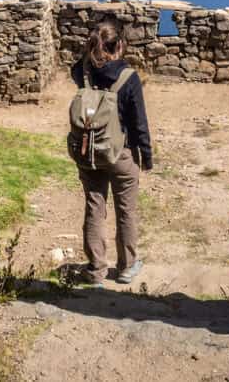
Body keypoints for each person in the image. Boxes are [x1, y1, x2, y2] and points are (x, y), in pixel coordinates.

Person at [70, 20, 152, 286]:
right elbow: (139, 122)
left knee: (95, 207)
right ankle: (127, 267)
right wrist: (146, 156)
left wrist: (90, 52)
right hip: (120, 153)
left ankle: (96, 270)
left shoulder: (82, 72)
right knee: (126, 209)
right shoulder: (128, 77)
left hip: (89, 150)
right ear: (119, 45)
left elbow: (79, 65)